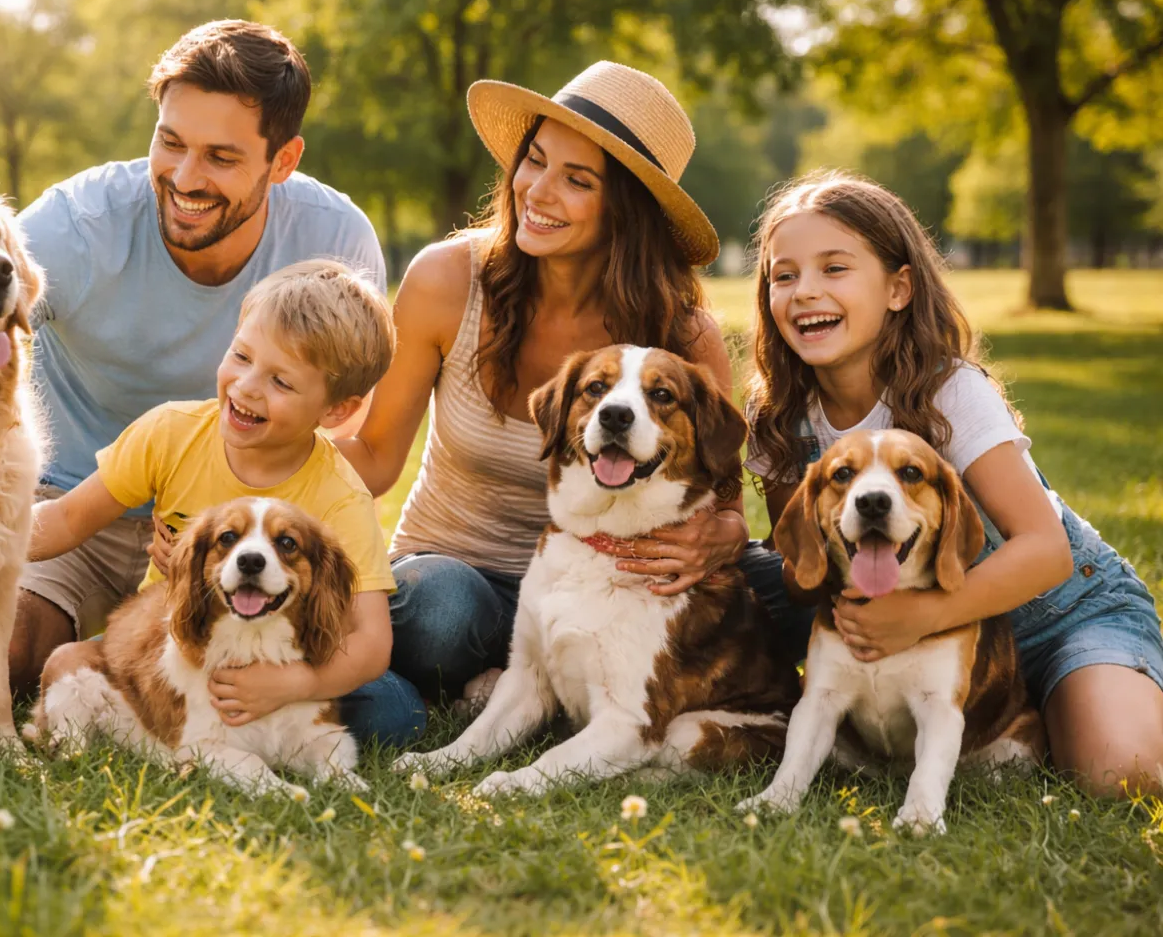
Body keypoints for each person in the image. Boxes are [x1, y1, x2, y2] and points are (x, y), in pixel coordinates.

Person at [334, 61, 755, 704]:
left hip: (607, 585)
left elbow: (723, 499)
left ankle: (530, 683)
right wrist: (243, 454)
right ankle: (498, 677)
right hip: (456, 575)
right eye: (535, 160)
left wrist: (721, 536)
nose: (537, 190)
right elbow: (373, 457)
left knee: (771, 591)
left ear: (627, 210)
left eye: (577, 179)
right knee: (439, 613)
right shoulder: (449, 280)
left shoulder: (682, 335)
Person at [742, 169, 1163, 795]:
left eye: (834, 269)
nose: (805, 291)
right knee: (730, 583)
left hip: (1055, 612)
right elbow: (802, 562)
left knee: (1118, 773)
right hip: (901, 621)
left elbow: (1044, 549)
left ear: (899, 288)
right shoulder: (779, 416)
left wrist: (922, 617)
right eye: (784, 275)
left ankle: (1067, 701)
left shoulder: (949, 391)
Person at [9, 20, 385, 696]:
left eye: (221, 157)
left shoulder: (335, 239)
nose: (184, 177)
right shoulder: (73, 228)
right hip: (77, 503)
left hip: (244, 540)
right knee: (7, 652)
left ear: (284, 161)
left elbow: (342, 435)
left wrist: (229, 524)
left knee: (369, 700)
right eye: (170, 141)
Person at [30, 261, 424, 746]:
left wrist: (296, 683)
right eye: (241, 356)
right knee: (66, 665)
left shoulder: (341, 496)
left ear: (335, 410)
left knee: (396, 713)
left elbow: (371, 640)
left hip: (286, 655)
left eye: (281, 382)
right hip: (175, 648)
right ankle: (190, 727)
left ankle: (251, 725)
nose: (247, 386)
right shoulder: (170, 432)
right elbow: (66, 519)